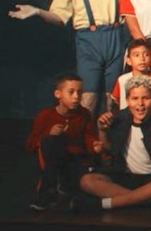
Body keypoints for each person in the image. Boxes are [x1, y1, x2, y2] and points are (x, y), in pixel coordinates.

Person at [9, 0, 130, 114]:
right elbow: (59, 17)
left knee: (111, 98)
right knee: (88, 97)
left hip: (115, 39)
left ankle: (106, 141)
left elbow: (132, 8)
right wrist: (38, 12)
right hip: (89, 41)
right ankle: (83, 139)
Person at [73, 75, 151, 212]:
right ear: (127, 100)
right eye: (135, 99)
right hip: (125, 176)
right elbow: (110, 149)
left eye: (146, 98)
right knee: (87, 181)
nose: (140, 104)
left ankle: (103, 204)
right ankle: (148, 202)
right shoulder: (120, 118)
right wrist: (102, 130)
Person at [27, 73, 96, 211]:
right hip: (52, 162)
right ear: (58, 94)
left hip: (76, 161)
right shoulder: (45, 116)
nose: (76, 97)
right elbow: (30, 144)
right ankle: (49, 192)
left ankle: (62, 191)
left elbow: (89, 137)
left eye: (79, 92)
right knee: (50, 141)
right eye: (71, 92)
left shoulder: (84, 114)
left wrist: (95, 146)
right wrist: (49, 134)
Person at [110, 39, 151, 111]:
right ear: (128, 61)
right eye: (137, 55)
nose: (142, 58)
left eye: (146, 55)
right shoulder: (122, 80)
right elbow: (116, 102)